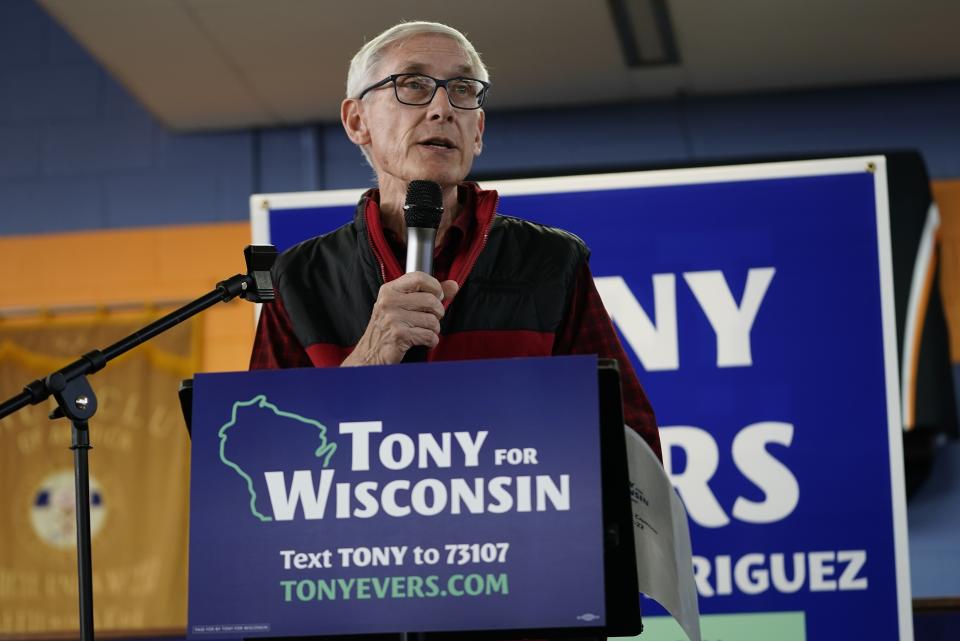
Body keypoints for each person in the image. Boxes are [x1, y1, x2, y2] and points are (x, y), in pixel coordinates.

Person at [249, 21, 660, 461]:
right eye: (412, 84)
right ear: (357, 120)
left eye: (463, 88)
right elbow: (261, 460)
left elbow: (630, 441)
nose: (443, 108)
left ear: (477, 130)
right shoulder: (299, 278)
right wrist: (367, 360)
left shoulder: (552, 261)